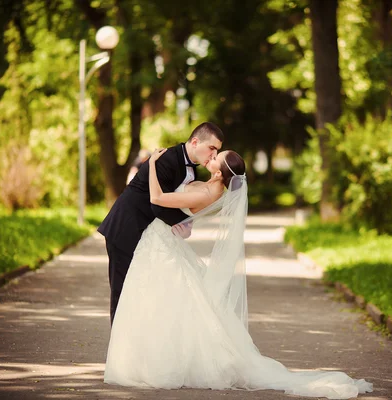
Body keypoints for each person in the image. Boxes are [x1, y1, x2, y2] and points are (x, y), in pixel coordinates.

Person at [103, 148, 374, 399]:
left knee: (166, 303)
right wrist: (184, 223)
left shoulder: (208, 193)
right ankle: (151, 355)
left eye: (214, 157)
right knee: (166, 304)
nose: (210, 157)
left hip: (161, 246)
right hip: (160, 244)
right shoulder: (207, 185)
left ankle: (161, 361)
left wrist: (150, 164)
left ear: (219, 173)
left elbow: (158, 198)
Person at [97, 122, 224, 324]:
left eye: (217, 151)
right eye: (212, 148)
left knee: (141, 292)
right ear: (195, 141)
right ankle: (119, 350)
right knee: (121, 291)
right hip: (125, 228)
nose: (214, 155)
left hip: (148, 235)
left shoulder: (193, 171)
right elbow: (157, 204)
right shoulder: (166, 159)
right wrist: (183, 224)